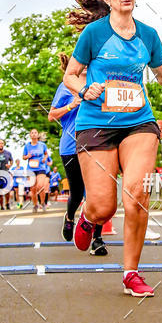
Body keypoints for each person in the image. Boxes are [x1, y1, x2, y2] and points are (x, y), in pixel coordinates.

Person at [63, 0, 162, 297]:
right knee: (104, 207)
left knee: (137, 194)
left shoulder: (148, 35)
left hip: (138, 122)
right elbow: (71, 75)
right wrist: (84, 89)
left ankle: (131, 273)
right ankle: (89, 217)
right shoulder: (93, 34)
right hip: (96, 124)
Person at [49, 54, 106, 256]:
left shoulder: (97, 82)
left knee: (97, 193)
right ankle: (70, 216)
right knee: (77, 191)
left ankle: (97, 239)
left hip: (95, 143)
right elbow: (52, 115)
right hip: (71, 146)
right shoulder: (65, 85)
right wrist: (71, 105)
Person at [23, 129, 50, 212]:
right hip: (31, 169)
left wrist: (44, 159)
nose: (34, 134)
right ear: (30, 135)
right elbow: (23, 157)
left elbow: (46, 154)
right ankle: (35, 205)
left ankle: (42, 203)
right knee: (33, 188)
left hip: (41, 168)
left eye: (35, 133)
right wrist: (27, 156)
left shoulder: (42, 145)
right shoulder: (27, 146)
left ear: (37, 135)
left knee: (40, 186)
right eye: (32, 133)